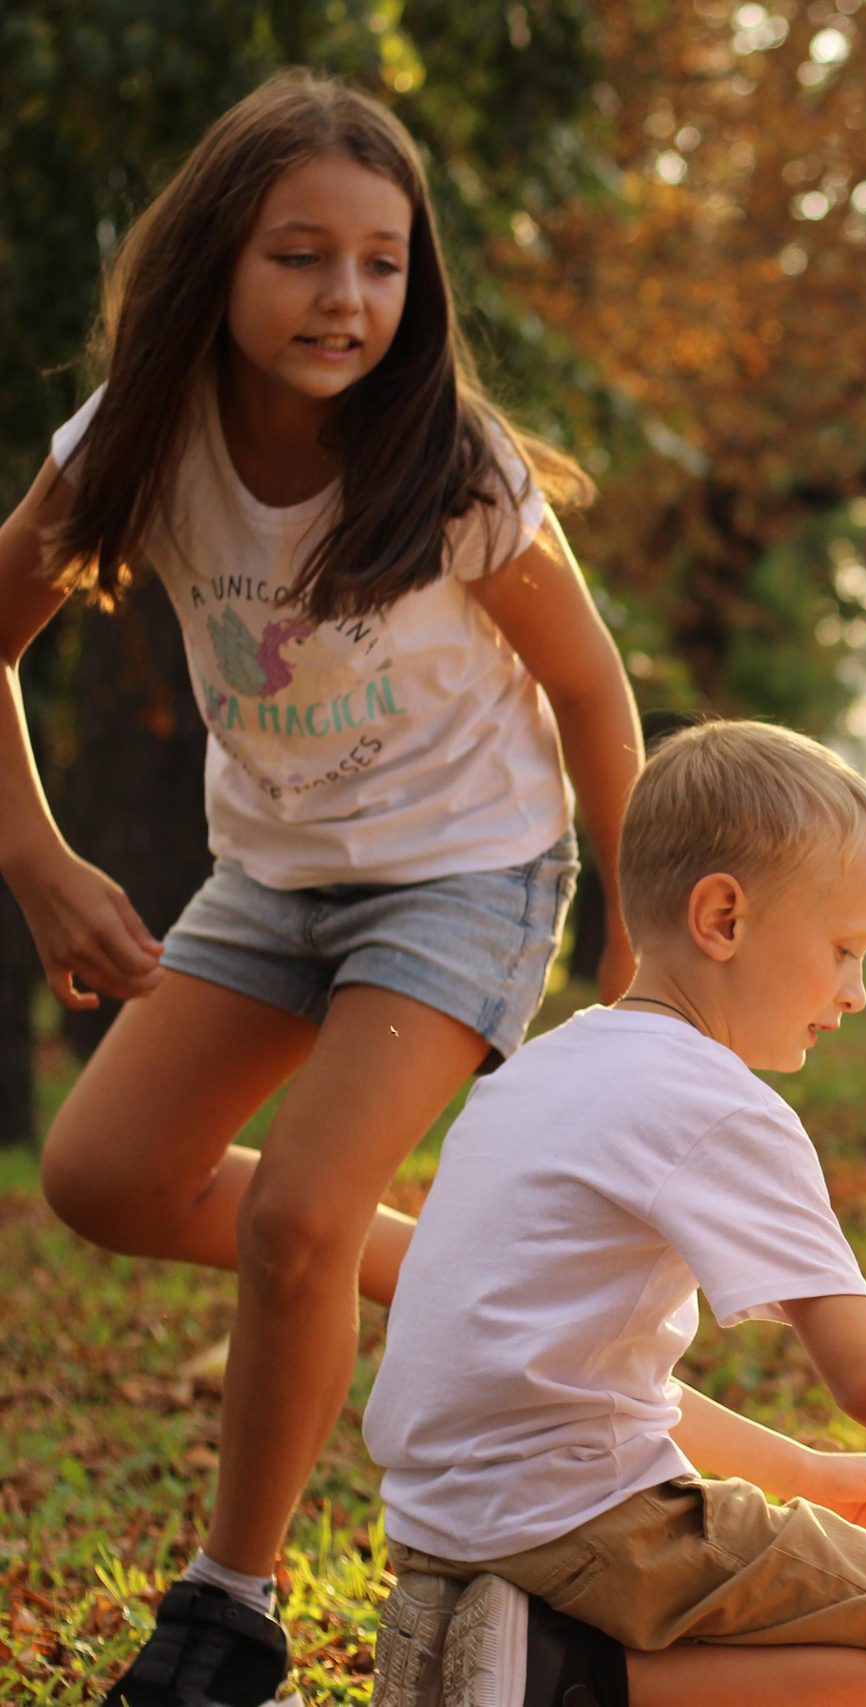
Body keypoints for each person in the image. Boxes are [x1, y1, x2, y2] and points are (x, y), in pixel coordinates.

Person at [0, 72, 642, 1707]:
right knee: (102, 1176)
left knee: (294, 1216)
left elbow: (591, 690)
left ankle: (233, 1615)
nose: (345, 296)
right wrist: (39, 859)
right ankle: (370, 1238)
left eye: (381, 261)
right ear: (215, 259)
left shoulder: (451, 464)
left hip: (468, 870)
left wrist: (632, 941)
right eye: (300, 255)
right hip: (276, 872)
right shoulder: (136, 439)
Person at [364, 719, 866, 1707]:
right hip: (587, 1525)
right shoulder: (717, 1105)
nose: (856, 992)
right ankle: (567, 1678)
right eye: (843, 949)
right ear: (723, 918)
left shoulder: (535, 1073)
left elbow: (578, 1395)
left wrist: (805, 1474)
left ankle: (538, 1661)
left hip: (445, 1533)